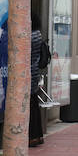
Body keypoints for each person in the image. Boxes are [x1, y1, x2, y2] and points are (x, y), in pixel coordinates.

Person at [28, 12, 49, 147]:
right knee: (34, 105)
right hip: (34, 74)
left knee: (30, 107)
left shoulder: (30, 36)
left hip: (28, 75)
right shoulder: (37, 34)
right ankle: (38, 136)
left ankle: (33, 136)